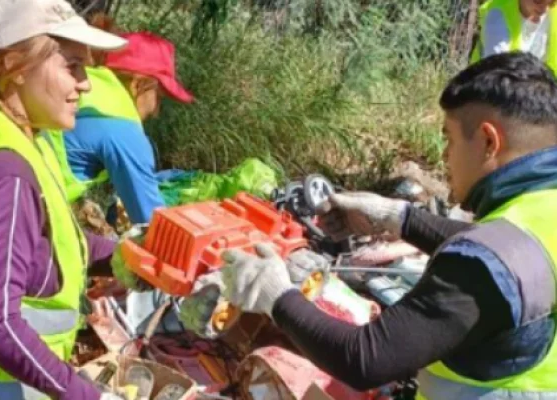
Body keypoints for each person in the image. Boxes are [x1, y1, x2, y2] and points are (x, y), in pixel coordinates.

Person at [193, 52, 557, 399]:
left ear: (489, 142)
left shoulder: (484, 266)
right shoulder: (541, 210)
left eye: (448, 138)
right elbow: (516, 253)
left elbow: (366, 359)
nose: (445, 156)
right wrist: (398, 218)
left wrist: (275, 295)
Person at [0, 0, 131, 398]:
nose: (85, 83)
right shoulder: (3, 169)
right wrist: (88, 395)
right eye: (72, 66)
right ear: (15, 67)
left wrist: (119, 257)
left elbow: (38, 241)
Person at [42, 14, 194, 225]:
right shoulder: (124, 132)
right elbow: (152, 222)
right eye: (158, 98)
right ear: (138, 85)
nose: (156, 111)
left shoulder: (85, 85)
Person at [470, 0, 557, 70]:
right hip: (489, 85)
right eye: (538, 1)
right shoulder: (498, 15)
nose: (544, 9)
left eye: (551, 2)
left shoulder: (553, 13)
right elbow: (497, 71)